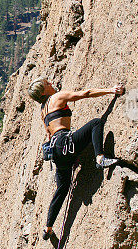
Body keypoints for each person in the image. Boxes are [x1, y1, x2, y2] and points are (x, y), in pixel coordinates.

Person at [27, 78, 125, 240]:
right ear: (43, 91)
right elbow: (84, 94)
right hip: (66, 143)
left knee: (62, 189)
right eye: (47, 84)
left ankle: (48, 227)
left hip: (57, 153)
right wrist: (111, 90)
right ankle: (100, 158)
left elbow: (48, 134)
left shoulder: (43, 111)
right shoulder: (57, 97)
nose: (51, 84)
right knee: (95, 123)